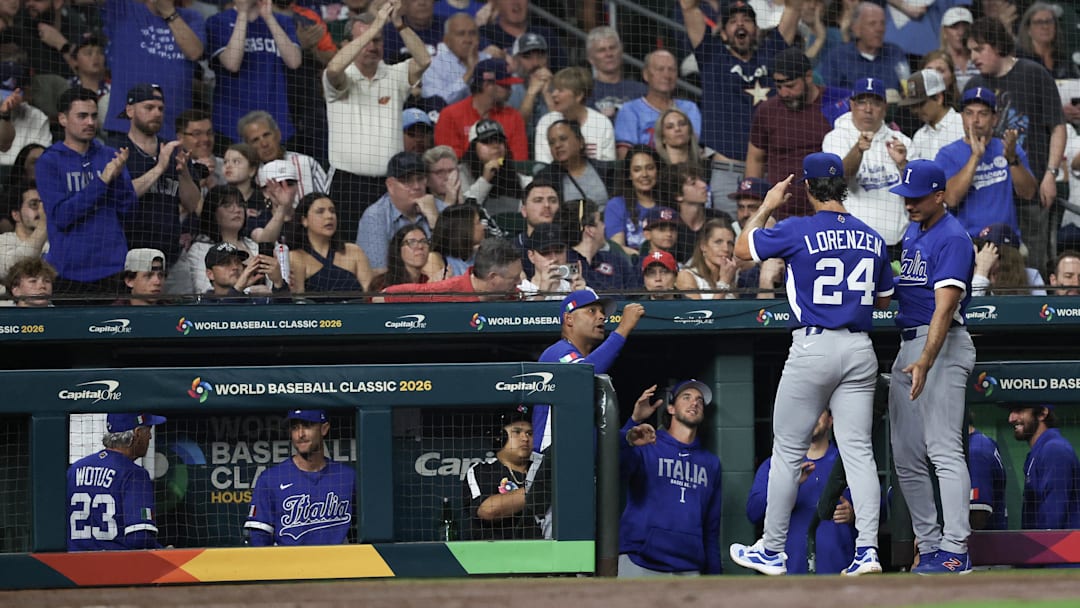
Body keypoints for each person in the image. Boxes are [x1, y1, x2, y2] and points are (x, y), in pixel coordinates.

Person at [728, 152, 892, 577]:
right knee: (858, 451)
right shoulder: (872, 236)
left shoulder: (796, 228)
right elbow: (884, 299)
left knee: (787, 451)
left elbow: (741, 249)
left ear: (807, 187)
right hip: (859, 347)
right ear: (842, 187)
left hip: (814, 344)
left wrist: (766, 205)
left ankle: (772, 549)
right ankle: (869, 550)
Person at [888, 159, 976, 575]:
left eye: (917, 197)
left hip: (939, 344)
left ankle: (956, 548)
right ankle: (931, 545)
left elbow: (945, 308)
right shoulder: (912, 230)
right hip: (908, 344)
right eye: (905, 197)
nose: (909, 205)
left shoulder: (954, 238)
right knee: (905, 454)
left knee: (943, 449)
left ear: (940, 195)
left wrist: (926, 359)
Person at [965, 16, 1066, 279]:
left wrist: (1050, 174)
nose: (973, 56)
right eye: (970, 50)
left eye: (978, 49)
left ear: (997, 45)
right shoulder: (973, 85)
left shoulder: (1034, 74)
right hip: (990, 197)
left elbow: (1058, 126)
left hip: (1031, 192)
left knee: (1033, 262)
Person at [324, 1, 431, 239]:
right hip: (347, 185)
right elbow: (333, 69)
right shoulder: (339, 79)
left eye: (377, 40)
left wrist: (399, 24)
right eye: (365, 39)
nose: (372, 45)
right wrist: (373, 28)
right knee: (346, 250)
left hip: (388, 185)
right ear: (345, 45)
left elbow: (424, 60)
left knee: (391, 253)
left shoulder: (395, 75)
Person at [679, 0, 800, 202]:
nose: (740, 24)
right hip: (726, 171)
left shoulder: (773, 54)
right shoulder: (711, 55)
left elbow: (794, 7)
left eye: (747, 20)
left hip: (769, 171)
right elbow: (688, 7)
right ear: (724, 32)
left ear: (756, 29)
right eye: (733, 21)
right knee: (725, 232)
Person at [36, 87, 137, 297]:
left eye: (93, 116)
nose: (90, 122)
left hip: (113, 268)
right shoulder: (49, 161)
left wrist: (117, 179)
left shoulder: (111, 156)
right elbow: (63, 216)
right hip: (69, 272)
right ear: (63, 119)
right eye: (82, 116)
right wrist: (102, 180)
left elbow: (128, 210)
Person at [618, 380, 723, 576]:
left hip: (689, 566)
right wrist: (632, 424)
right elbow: (613, 465)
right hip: (641, 560)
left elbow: (711, 528)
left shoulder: (711, 463)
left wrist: (714, 576)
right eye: (687, 397)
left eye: (699, 400)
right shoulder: (647, 442)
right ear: (671, 408)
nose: (695, 403)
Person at [532, 289, 645, 453]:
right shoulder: (557, 353)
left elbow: (595, 441)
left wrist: (629, 432)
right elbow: (582, 375)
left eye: (602, 312)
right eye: (591, 310)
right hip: (550, 464)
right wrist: (623, 328)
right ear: (569, 319)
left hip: (577, 462)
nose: (601, 316)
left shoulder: (584, 360)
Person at [746, 410, 857, 575]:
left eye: (819, 410)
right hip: (788, 573)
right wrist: (788, 484)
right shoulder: (777, 464)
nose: (811, 416)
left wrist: (854, 514)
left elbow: (881, 510)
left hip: (841, 572)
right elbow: (753, 512)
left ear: (830, 420)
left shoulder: (849, 462)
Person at [745, 47, 844, 220]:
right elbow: (756, 158)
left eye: (790, 86)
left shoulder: (836, 105)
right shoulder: (767, 111)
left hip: (827, 214)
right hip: (780, 216)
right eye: (779, 86)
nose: (784, 93)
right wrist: (755, 204)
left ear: (808, 77)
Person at [116, 83, 201, 267]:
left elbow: (192, 203)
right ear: (130, 110)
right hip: (128, 256)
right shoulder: (116, 149)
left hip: (170, 256)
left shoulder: (174, 151)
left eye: (160, 109)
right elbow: (121, 195)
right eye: (149, 107)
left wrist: (184, 174)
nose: (156, 113)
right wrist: (159, 168)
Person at [821, 77, 910, 249]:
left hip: (897, 244)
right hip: (854, 243)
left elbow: (917, 191)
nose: (868, 109)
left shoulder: (901, 141)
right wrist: (858, 150)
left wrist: (903, 164)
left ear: (885, 107)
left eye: (875, 103)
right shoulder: (836, 138)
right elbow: (838, 181)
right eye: (862, 102)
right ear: (852, 105)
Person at [936, 87, 1035, 239]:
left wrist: (1012, 159)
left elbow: (1028, 193)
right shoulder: (947, 154)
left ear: (994, 119)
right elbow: (951, 199)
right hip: (966, 242)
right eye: (969, 113)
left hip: (1006, 241)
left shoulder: (1008, 148)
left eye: (983, 113)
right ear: (962, 117)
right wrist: (975, 157)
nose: (975, 120)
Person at [245, 409, 355, 545]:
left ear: (324, 429)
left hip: (338, 564)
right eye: (295, 428)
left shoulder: (347, 476)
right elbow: (259, 536)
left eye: (307, 426)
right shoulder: (271, 478)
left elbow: (362, 531)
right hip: (289, 564)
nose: (300, 434)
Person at [100, 0, 205, 142]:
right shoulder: (123, 8)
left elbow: (194, 52)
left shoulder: (192, 17)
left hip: (174, 130)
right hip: (126, 128)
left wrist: (169, 13)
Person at [66, 412, 166, 550]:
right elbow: (139, 538)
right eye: (148, 430)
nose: (149, 436)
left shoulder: (75, 469)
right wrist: (162, 551)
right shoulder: (134, 473)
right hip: (115, 566)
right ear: (137, 434)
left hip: (69, 566)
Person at [207, 0, 302, 145]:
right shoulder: (218, 21)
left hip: (276, 121)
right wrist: (243, 14)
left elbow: (294, 61)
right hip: (232, 124)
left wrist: (269, 18)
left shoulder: (283, 21)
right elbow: (232, 64)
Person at [357, 151, 447, 273]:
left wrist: (434, 219)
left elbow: (456, 259)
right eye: (407, 180)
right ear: (390, 185)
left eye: (420, 179)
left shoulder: (439, 208)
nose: (416, 186)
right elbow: (378, 272)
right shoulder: (375, 217)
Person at [462, 407, 542, 540]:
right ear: (499, 437)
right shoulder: (483, 470)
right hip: (495, 555)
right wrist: (541, 489)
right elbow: (488, 510)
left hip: (541, 553)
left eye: (530, 433)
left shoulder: (541, 469)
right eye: (517, 432)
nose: (525, 438)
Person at [613, 50, 701, 159]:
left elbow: (696, 151)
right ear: (646, 74)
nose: (666, 75)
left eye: (671, 69)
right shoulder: (630, 110)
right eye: (660, 69)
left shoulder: (689, 108)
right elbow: (626, 159)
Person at [172, 186, 259, 296]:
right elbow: (204, 289)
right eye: (227, 205)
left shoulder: (254, 246)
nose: (237, 210)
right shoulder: (199, 249)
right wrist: (250, 292)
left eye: (240, 205)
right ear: (212, 212)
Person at [433, 58, 527, 160]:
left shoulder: (513, 116)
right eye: (505, 85)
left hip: (504, 174)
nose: (510, 90)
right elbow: (449, 160)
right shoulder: (450, 115)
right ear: (487, 85)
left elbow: (519, 159)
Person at [1005, 404, 1080, 530]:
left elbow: (1053, 518)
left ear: (1042, 413)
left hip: (1059, 547)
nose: (1011, 418)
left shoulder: (1054, 449)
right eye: (1011, 411)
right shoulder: (1040, 450)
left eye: (1019, 410)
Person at [380, 235, 520, 301]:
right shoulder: (447, 291)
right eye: (514, 278)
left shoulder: (515, 295)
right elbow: (385, 295)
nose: (519, 282)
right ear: (493, 278)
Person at [290, 193, 374, 296]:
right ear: (304, 220)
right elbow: (298, 301)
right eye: (320, 212)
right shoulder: (295, 257)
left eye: (332, 211)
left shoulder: (354, 251)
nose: (329, 216)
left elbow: (370, 295)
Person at [238, 111, 329, 205]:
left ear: (278, 134)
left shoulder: (306, 163)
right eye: (255, 140)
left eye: (267, 135)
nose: (264, 144)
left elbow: (329, 202)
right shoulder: (250, 176)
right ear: (248, 147)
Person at [817, 2, 910, 94]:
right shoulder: (837, 57)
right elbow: (828, 96)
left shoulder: (895, 53)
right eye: (872, 24)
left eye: (882, 23)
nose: (879, 29)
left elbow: (907, 91)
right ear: (856, 29)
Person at [534, 67, 615, 164]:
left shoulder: (602, 123)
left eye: (560, 90)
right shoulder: (546, 122)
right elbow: (542, 165)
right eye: (554, 89)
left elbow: (608, 168)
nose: (554, 94)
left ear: (578, 96)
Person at [457, 118, 529, 217]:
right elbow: (463, 213)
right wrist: (485, 180)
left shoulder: (516, 176)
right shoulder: (460, 173)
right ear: (473, 147)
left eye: (499, 141)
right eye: (487, 141)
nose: (496, 146)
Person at [534, 120, 610, 211]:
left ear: (581, 142)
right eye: (552, 143)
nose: (557, 145)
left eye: (563, 139)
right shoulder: (545, 177)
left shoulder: (605, 170)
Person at [563, 198, 637, 291]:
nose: (604, 226)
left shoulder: (617, 261)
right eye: (600, 221)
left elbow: (636, 297)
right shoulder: (565, 264)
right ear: (590, 230)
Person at [606, 145, 662, 256]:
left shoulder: (669, 203)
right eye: (637, 170)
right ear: (629, 175)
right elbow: (617, 248)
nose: (645, 174)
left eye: (650, 168)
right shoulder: (616, 205)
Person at [422, 13, 488, 107]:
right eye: (461, 34)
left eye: (472, 33)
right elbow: (437, 103)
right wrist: (470, 73)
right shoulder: (433, 65)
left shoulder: (488, 60)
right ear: (446, 40)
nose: (468, 39)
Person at [900, 70, 964, 163]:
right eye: (913, 106)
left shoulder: (963, 125)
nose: (915, 110)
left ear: (938, 98)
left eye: (920, 104)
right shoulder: (919, 136)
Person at [585, 26, 645, 125]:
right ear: (591, 58)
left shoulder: (641, 90)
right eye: (601, 50)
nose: (609, 54)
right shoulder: (585, 92)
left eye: (612, 48)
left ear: (621, 51)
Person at [201, 241, 290, 304]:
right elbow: (222, 321)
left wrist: (279, 283)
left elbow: (287, 318)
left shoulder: (256, 300)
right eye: (226, 263)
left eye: (238, 261)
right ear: (210, 274)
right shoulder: (201, 304)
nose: (235, 267)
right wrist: (238, 288)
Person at [677, 218, 739, 300]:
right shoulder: (687, 276)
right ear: (703, 246)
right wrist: (723, 283)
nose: (726, 249)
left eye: (730, 243)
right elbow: (701, 312)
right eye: (718, 242)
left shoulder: (732, 278)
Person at [1016, 2, 1079, 80]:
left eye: (1049, 21)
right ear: (1028, 29)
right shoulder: (1019, 59)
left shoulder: (1064, 60)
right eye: (1039, 22)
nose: (1045, 26)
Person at [0, 184, 47, 284]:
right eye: (34, 204)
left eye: (43, 205)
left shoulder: (54, 242)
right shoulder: (3, 241)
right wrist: (43, 224)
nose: (41, 211)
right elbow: (9, 270)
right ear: (16, 215)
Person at [968, 418, 1007, 531]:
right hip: (993, 541)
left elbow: (978, 517)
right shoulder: (982, 441)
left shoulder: (975, 451)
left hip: (983, 545)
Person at [369, 223, 434, 290]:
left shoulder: (427, 281)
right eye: (412, 242)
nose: (420, 246)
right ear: (398, 249)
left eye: (424, 241)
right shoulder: (382, 283)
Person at [427, 204, 484, 278]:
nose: (483, 227)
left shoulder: (480, 255)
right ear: (463, 229)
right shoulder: (435, 259)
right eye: (478, 222)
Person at [653, 107, 708, 172]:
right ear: (662, 138)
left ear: (690, 131)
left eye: (682, 124)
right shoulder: (657, 169)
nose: (677, 129)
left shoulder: (706, 166)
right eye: (670, 127)